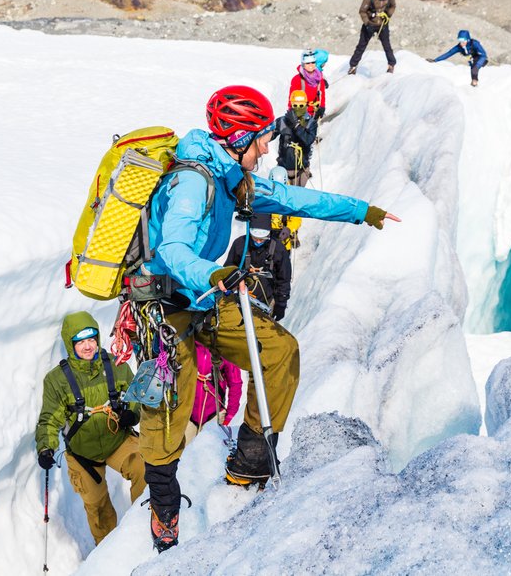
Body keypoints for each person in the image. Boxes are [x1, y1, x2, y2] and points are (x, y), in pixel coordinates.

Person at [137, 84, 400, 551]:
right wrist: (213, 271)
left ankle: (252, 458)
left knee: (279, 351)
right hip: (168, 307)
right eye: (259, 138)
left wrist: (362, 211)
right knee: (168, 411)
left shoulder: (230, 180)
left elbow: (296, 201)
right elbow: (172, 248)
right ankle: (164, 507)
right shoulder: (193, 183)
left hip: (206, 298)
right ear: (238, 139)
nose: (265, 147)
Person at [35, 311, 146, 545]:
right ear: (70, 344)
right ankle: (108, 550)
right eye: (81, 342)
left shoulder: (114, 364)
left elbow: (136, 389)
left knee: (144, 467)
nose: (88, 346)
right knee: (96, 505)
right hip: (83, 453)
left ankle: (146, 526)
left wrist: (131, 413)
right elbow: (50, 419)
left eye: (91, 339)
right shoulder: (57, 380)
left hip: (117, 439)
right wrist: (46, 448)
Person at [225, 212, 293, 322]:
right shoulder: (240, 244)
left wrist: (281, 303)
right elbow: (228, 268)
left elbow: (284, 278)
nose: (258, 241)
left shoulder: (278, 249)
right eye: (255, 238)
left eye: (262, 239)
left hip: (267, 300)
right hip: (241, 297)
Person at [185, 343, 243, 444]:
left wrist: (230, 415)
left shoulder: (225, 348)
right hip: (187, 415)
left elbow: (235, 383)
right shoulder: (188, 344)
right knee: (181, 457)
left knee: (208, 457)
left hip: (214, 415)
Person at [348, 0, 397, 75]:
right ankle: (353, 66)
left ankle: (391, 65)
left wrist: (387, 14)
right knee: (361, 46)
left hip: (383, 25)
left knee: (387, 46)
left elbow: (393, 6)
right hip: (369, 24)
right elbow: (362, 11)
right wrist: (367, 23)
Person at [276, 89, 318, 187]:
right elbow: (268, 135)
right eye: (295, 106)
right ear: (291, 105)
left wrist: (296, 126)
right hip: (283, 169)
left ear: (306, 105)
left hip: (301, 170)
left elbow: (308, 140)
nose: (298, 108)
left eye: (301, 106)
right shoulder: (282, 121)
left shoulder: (311, 123)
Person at [268, 166, 302, 250]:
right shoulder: (264, 195)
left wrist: (289, 229)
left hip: (284, 242)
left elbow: (296, 219)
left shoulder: (292, 198)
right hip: (265, 238)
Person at [290, 50, 327, 119]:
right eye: (308, 63)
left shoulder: (319, 78)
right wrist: (291, 113)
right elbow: (291, 98)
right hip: (300, 114)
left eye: (313, 62)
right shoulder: (297, 79)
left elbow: (322, 94)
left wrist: (322, 106)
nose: (311, 65)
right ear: (303, 64)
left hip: (314, 113)